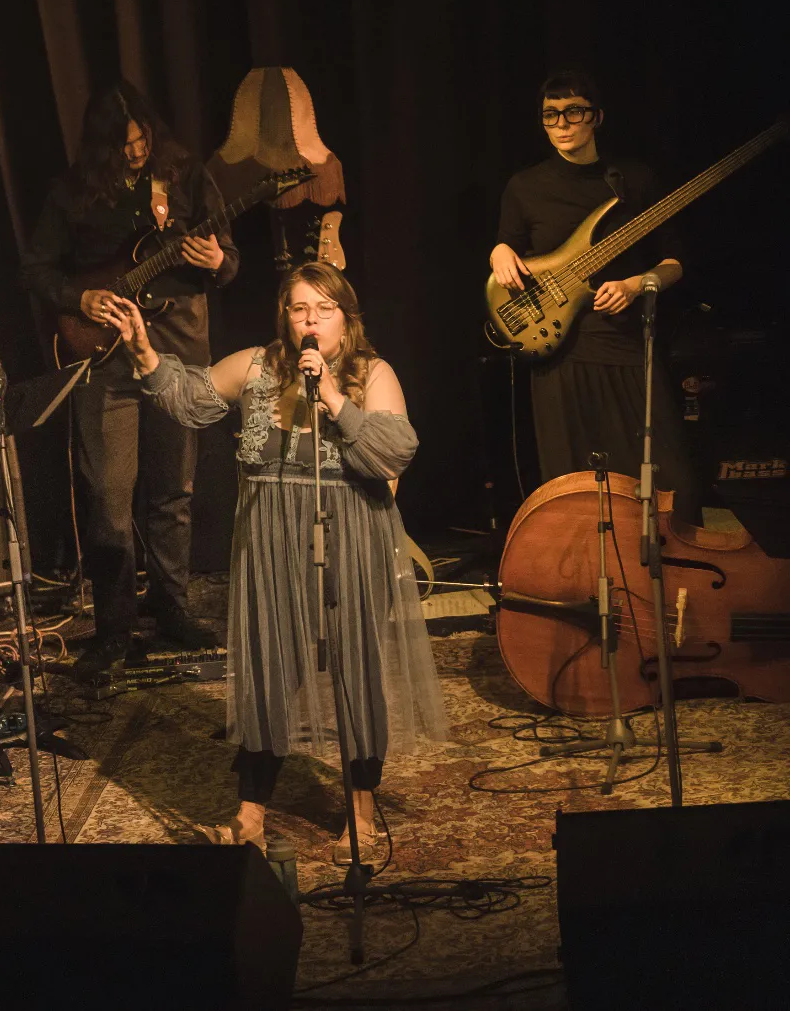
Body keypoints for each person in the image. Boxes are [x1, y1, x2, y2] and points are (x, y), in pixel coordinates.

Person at [99, 262, 448, 862]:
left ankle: (361, 811)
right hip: (268, 534)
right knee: (266, 667)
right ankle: (249, 816)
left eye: (324, 309)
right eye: (298, 308)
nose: (310, 320)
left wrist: (334, 397)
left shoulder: (372, 374)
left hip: (349, 532)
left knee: (354, 664)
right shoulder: (256, 367)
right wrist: (144, 351)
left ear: (346, 318)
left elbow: (394, 453)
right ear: (284, 316)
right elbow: (188, 400)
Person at [21, 81, 239, 677]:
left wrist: (219, 260)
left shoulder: (186, 177)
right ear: (100, 147)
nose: (137, 152)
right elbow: (35, 268)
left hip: (178, 352)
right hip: (105, 358)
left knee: (174, 491)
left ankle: (172, 608)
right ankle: (114, 626)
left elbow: (229, 258)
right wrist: (80, 298)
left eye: (142, 140)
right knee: (109, 497)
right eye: (123, 146)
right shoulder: (72, 192)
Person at [491, 70, 697, 521]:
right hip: (559, 350)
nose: (562, 124)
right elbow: (508, 244)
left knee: (667, 476)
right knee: (574, 482)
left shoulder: (633, 180)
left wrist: (635, 285)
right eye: (550, 115)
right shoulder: (525, 187)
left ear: (597, 117)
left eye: (574, 112)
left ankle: (669, 560)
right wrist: (499, 250)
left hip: (626, 343)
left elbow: (675, 262)